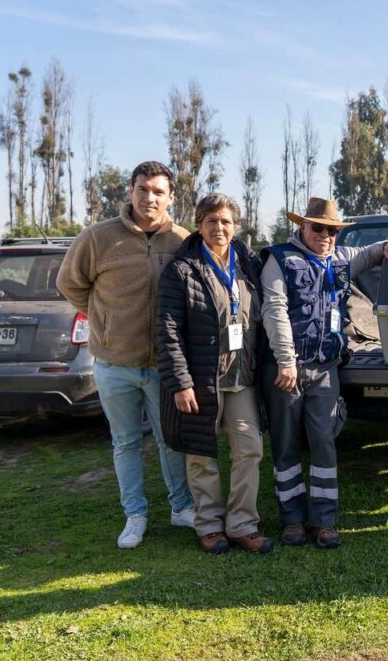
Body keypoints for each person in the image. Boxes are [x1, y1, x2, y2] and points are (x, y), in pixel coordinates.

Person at [58, 160, 194, 549]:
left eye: (158, 191)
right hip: (114, 364)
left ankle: (181, 507)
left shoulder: (181, 241)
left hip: (163, 365)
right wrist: (104, 318)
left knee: (171, 441)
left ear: (170, 197)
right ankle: (135, 515)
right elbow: (70, 284)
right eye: (142, 189)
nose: (149, 197)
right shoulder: (98, 238)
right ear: (130, 191)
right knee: (126, 443)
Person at [262, 198, 388, 549]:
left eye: (332, 230)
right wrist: (285, 360)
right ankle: (292, 520)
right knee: (286, 444)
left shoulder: (341, 258)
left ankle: (325, 521)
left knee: (324, 442)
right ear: (303, 228)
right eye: (318, 228)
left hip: (326, 369)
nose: (325, 235)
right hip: (287, 370)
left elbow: (370, 253)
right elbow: (274, 310)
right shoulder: (279, 259)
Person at [156, 194, 272, 555]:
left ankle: (241, 524)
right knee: (201, 454)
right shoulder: (181, 270)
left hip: (242, 376)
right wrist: (181, 382)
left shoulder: (249, 263)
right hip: (201, 378)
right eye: (211, 221)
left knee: (249, 449)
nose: (219, 227)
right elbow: (168, 330)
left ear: (235, 225)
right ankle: (208, 526)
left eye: (225, 221)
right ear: (199, 224)